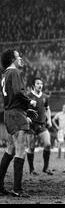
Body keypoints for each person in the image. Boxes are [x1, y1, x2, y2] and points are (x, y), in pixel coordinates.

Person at [0, 49, 37, 197]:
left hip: (9, 113)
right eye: (18, 56)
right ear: (12, 59)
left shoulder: (4, 74)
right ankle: (17, 189)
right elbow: (17, 92)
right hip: (16, 113)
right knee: (20, 150)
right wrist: (29, 102)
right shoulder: (14, 72)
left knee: (10, 149)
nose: (20, 57)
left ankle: (0, 186)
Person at [26, 78, 53, 175]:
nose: (40, 85)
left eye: (41, 83)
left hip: (41, 125)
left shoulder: (45, 96)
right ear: (34, 85)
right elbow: (22, 109)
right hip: (31, 126)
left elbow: (47, 109)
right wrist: (26, 118)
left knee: (48, 144)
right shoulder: (28, 96)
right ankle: (32, 170)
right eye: (37, 83)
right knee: (31, 147)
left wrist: (49, 119)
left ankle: (45, 168)